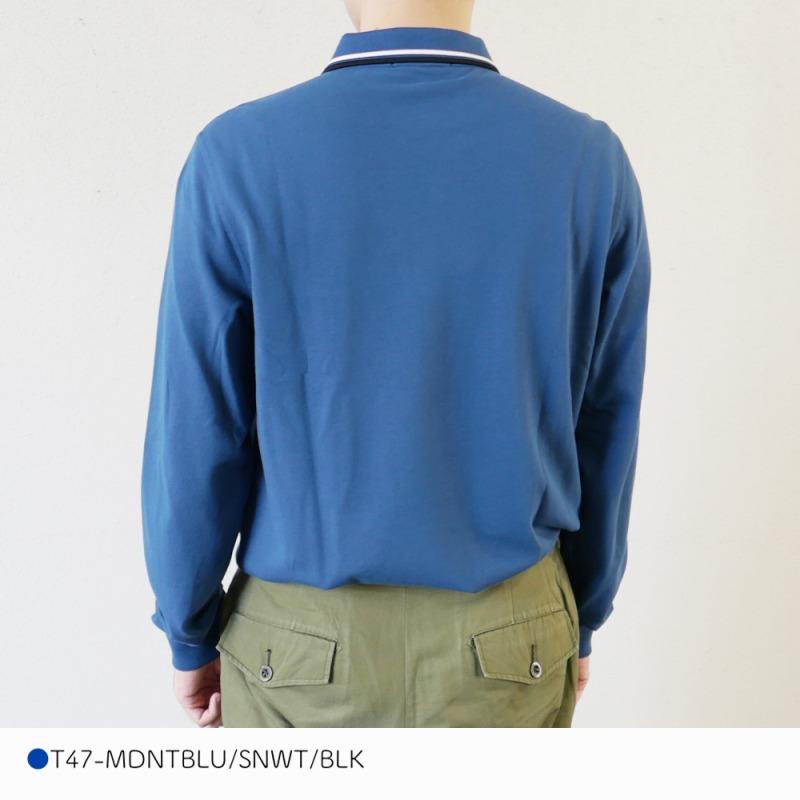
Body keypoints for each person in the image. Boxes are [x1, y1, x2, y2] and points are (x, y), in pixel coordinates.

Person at [142, 0, 650, 728]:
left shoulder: (237, 155)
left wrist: (189, 630)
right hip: (511, 639)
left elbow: (198, 429)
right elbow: (606, 422)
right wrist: (584, 612)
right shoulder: (586, 161)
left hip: (300, 650)